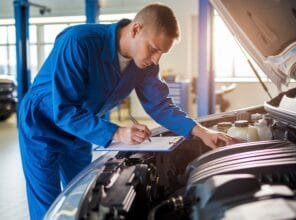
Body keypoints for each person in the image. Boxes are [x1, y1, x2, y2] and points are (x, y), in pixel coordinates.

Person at [18, 3, 234, 220]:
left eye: (162, 52)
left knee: (82, 199)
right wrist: (117, 133)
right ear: (135, 29)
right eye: (153, 48)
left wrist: (201, 132)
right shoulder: (79, 42)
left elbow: (159, 105)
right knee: (47, 206)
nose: (157, 59)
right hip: (41, 124)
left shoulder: (146, 64)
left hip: (82, 126)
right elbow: (64, 110)